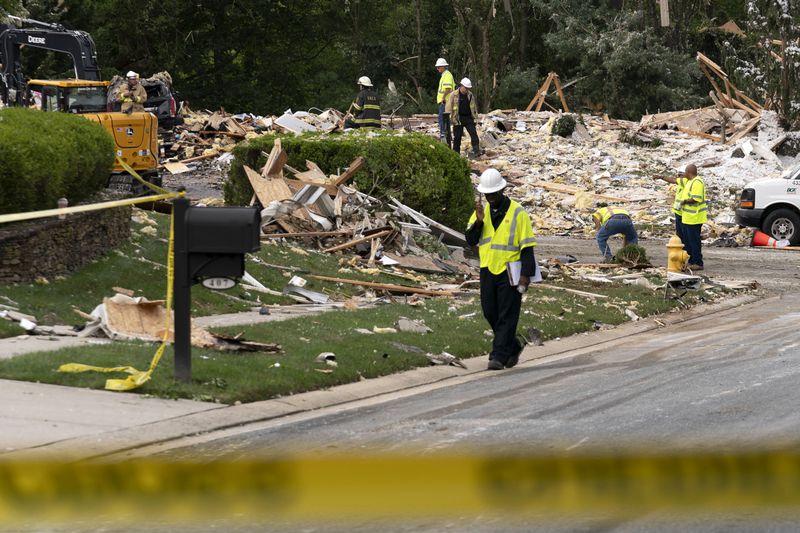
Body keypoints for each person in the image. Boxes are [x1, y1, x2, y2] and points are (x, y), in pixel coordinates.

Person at [465, 168, 536, 370]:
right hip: (488, 268)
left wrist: (525, 276)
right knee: (490, 312)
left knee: (507, 314)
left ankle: (497, 356)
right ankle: (513, 346)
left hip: (510, 271)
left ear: (502, 191)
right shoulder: (482, 212)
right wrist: (478, 223)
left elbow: (527, 248)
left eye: (494, 194)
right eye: (487, 195)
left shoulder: (518, 212)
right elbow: (470, 240)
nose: (491, 199)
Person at [653, 164, 697, 251]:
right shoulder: (683, 183)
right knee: (680, 236)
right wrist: (661, 177)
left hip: (685, 214)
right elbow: (673, 180)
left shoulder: (687, 182)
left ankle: (686, 254)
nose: (679, 177)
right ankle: (681, 253)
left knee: (686, 238)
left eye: (681, 175)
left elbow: (673, 180)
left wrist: (661, 177)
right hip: (679, 213)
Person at [679, 168, 707, 270]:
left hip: (695, 217)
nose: (684, 173)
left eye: (685, 171)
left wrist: (684, 202)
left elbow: (696, 198)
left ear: (689, 172)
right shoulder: (690, 181)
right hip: (688, 218)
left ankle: (698, 262)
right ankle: (691, 261)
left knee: (694, 241)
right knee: (688, 241)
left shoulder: (697, 182)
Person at [446, 77, 480, 157]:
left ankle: (476, 151)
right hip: (458, 118)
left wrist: (475, 118)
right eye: (466, 88)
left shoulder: (470, 95)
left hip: (468, 118)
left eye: (468, 88)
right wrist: (449, 118)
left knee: (473, 134)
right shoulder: (453, 95)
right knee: (457, 137)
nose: (467, 90)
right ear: (461, 86)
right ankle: (455, 153)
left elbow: (473, 107)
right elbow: (448, 107)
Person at [435, 57, 454, 148]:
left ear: (443, 66)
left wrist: (443, 98)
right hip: (444, 102)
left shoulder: (447, 75)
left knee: (443, 120)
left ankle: (444, 137)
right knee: (443, 120)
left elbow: (448, 88)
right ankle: (445, 136)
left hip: (445, 102)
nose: (437, 69)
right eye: (437, 67)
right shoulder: (444, 75)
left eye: (439, 67)